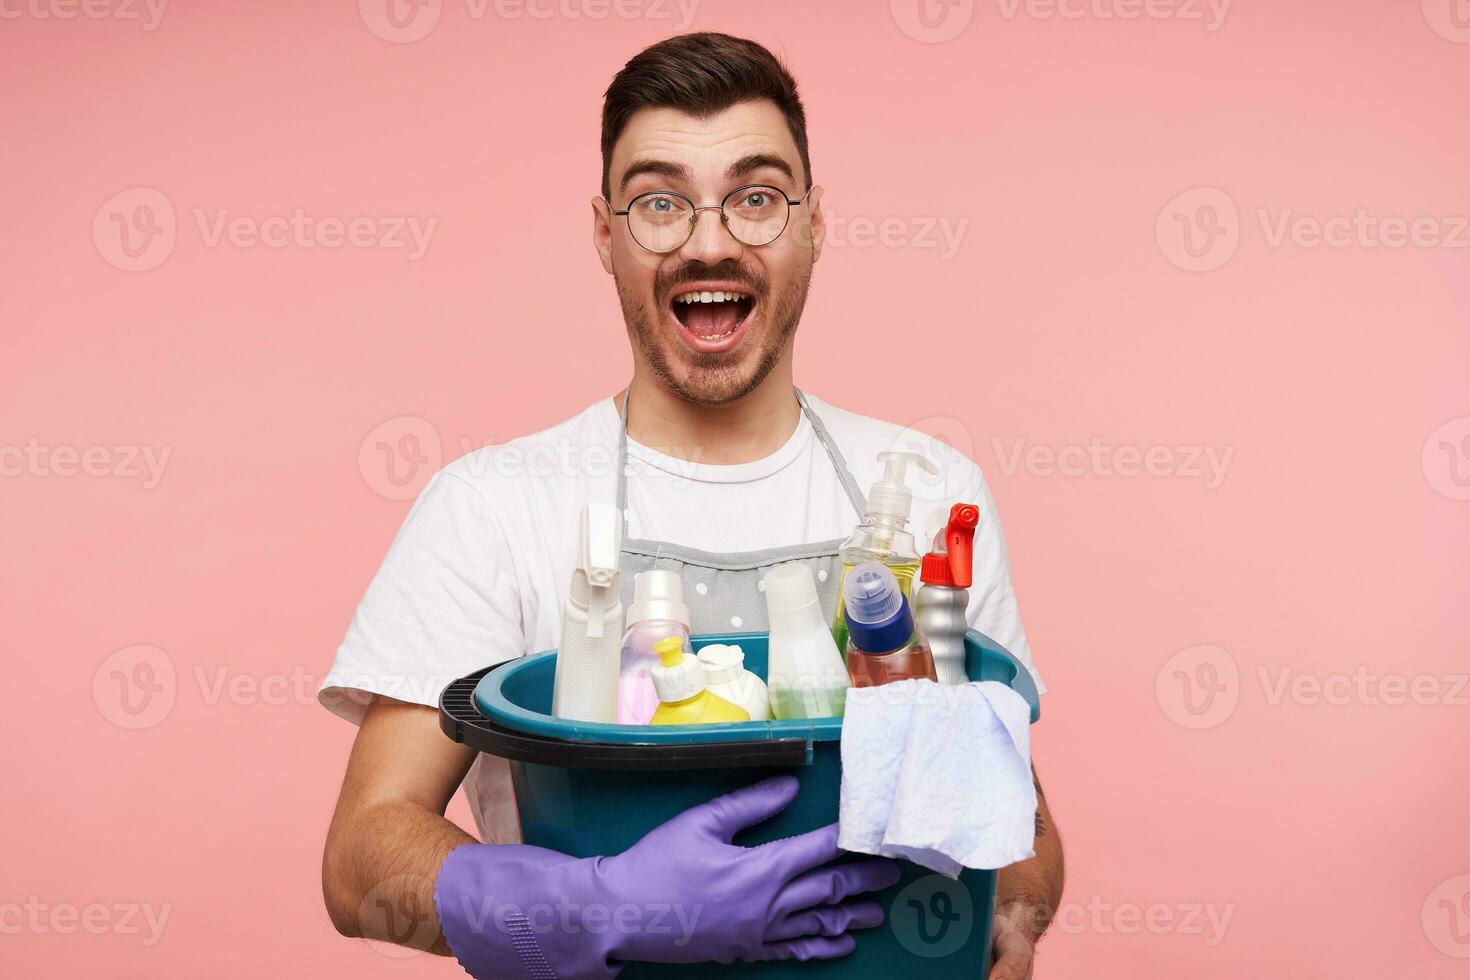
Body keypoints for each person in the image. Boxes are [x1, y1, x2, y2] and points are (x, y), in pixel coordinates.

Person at [320, 32, 1063, 979]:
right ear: (603, 233)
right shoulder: (492, 507)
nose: (709, 243)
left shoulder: (931, 489)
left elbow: (1023, 820)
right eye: (659, 203)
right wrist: (602, 910)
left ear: (814, 223)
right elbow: (360, 862)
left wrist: (1008, 917)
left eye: (757, 198)